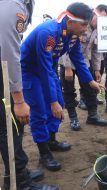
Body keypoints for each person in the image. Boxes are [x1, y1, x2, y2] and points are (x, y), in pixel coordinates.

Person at [20, 2, 104, 172]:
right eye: (83, 25)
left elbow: (78, 58)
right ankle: (44, 154)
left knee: (60, 103)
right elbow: (42, 69)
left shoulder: (72, 34)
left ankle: (51, 141)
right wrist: (51, 102)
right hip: (30, 71)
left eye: (87, 25)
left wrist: (90, 81)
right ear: (70, 21)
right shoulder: (48, 33)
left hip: (47, 69)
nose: (85, 29)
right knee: (40, 111)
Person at [0, 0, 58, 189]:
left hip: (5, 74)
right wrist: (18, 99)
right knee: (11, 128)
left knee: (9, 129)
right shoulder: (13, 5)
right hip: (4, 75)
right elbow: (9, 53)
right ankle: (20, 183)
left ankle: (18, 173)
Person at [59, 4, 107, 130]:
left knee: (90, 89)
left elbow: (96, 51)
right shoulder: (80, 25)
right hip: (68, 63)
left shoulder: (98, 30)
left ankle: (92, 115)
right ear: (95, 15)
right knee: (68, 91)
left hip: (84, 63)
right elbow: (65, 46)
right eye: (101, 18)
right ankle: (73, 118)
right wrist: (67, 67)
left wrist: (97, 69)